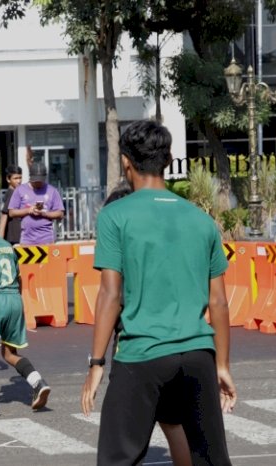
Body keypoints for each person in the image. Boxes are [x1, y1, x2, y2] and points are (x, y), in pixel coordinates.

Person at [81, 120, 236, 466]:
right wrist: (222, 365)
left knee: (116, 458)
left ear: (126, 161)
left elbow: (110, 295)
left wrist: (96, 363)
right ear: (167, 161)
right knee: (209, 458)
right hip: (198, 354)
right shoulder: (201, 220)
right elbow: (219, 302)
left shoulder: (115, 215)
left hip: (142, 354)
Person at [102, 181, 192, 466]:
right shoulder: (160, 241)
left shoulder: (120, 244)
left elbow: (110, 298)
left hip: (134, 345)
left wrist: (96, 360)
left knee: (124, 433)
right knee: (173, 422)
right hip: (177, 342)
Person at [0, 200, 50, 416]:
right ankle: (38, 383)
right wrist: (18, 305)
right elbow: (19, 278)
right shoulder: (9, 247)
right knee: (10, 351)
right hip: (15, 299)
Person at [7, 162, 64, 245]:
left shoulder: (52, 191)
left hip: (47, 239)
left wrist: (44, 214)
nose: (38, 183)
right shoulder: (20, 190)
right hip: (27, 240)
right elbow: (11, 212)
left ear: (45, 178)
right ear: (30, 177)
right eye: (35, 180)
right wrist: (28, 210)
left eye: (40, 180)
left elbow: (60, 213)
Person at [0, 165, 23, 245]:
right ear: (8, 179)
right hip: (13, 239)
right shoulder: (12, 194)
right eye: (15, 178)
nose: (18, 181)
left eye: (20, 178)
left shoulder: (13, 193)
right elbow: (4, 216)